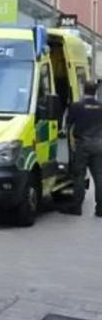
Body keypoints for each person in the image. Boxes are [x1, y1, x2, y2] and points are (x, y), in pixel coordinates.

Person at [64, 80, 102, 217]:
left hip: (82, 144)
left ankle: (76, 207)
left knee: (79, 175)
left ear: (84, 90)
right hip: (99, 144)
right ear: (95, 91)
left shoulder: (76, 106)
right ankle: (100, 209)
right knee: (99, 176)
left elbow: (67, 125)